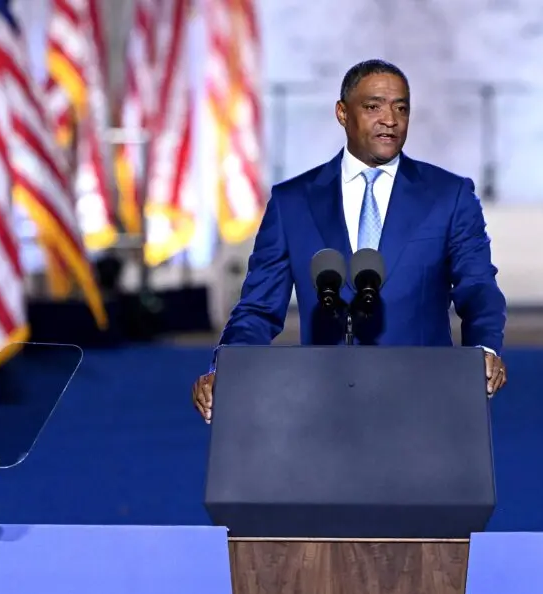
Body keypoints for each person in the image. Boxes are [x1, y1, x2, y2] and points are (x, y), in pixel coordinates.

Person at [192, 59, 507, 422]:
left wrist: (483, 349)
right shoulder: (292, 202)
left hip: (423, 402)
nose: (390, 119)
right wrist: (227, 368)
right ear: (342, 113)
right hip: (324, 404)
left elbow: (478, 287)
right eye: (373, 106)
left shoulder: (449, 196)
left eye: (401, 108)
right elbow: (258, 308)